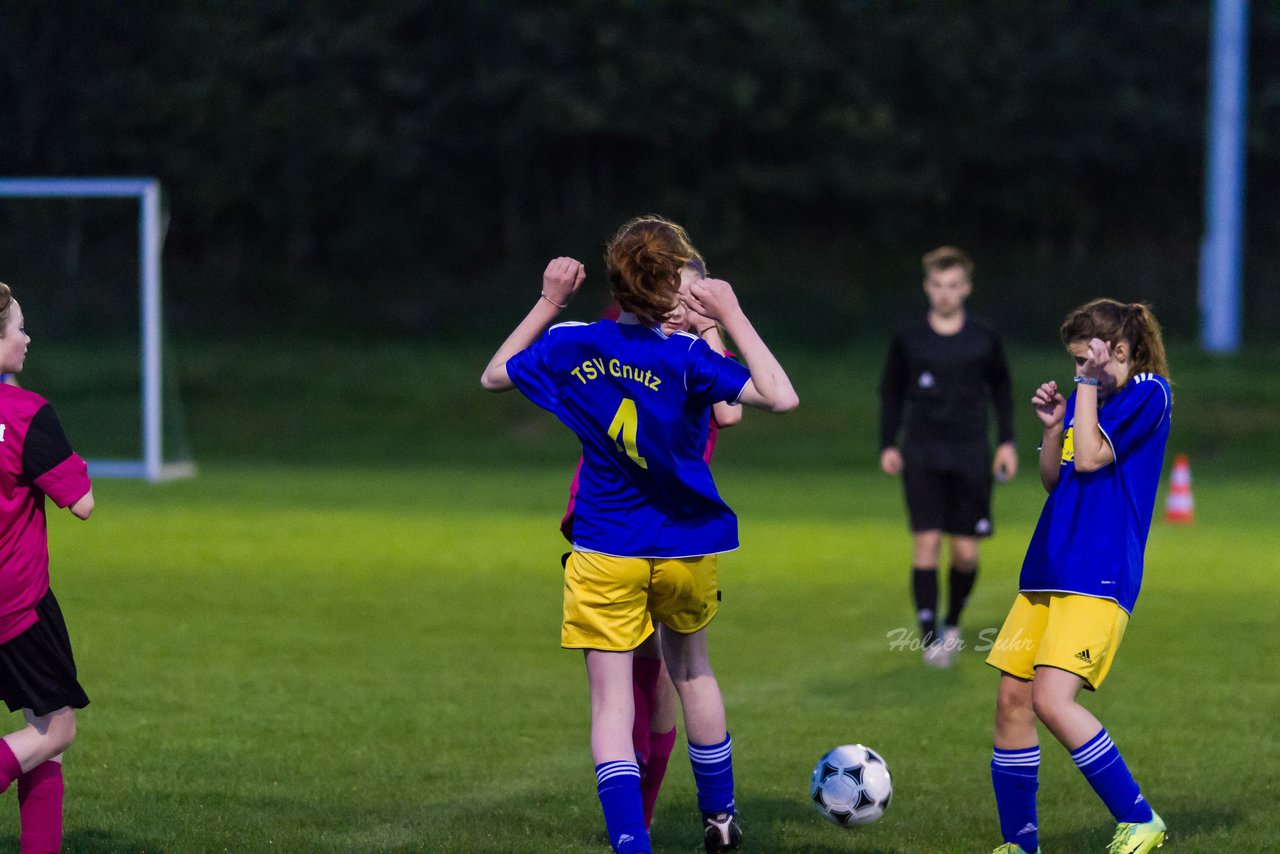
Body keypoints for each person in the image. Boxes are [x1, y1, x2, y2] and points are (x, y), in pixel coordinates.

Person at [481, 215, 798, 854]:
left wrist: (548, 301)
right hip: (686, 545)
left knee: (612, 704)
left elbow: (496, 373)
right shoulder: (688, 358)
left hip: (604, 546)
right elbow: (778, 397)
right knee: (694, 676)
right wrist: (729, 316)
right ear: (673, 289)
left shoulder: (577, 341)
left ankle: (631, 841)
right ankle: (721, 821)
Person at [558, 254, 743, 832]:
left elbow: (729, 413)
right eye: (673, 292)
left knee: (659, 675)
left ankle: (639, 815)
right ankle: (661, 815)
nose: (680, 303)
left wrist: (713, 325)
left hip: (667, 533)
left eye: (692, 295)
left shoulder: (699, 358)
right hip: (609, 525)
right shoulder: (626, 339)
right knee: (641, 670)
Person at [985, 299, 1171, 854]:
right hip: (1047, 568)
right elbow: (1057, 476)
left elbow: (1090, 458)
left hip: (1099, 574)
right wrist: (1050, 427)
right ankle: (1020, 845)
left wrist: (1083, 390)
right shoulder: (1095, 398)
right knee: (1012, 701)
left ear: (1118, 350)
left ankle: (1140, 818)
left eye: (1084, 357)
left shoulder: (1147, 392)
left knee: (1051, 700)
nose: (1077, 369)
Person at [878, 246, 1017, 667]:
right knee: (925, 542)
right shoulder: (909, 339)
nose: (944, 293)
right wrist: (888, 443)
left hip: (971, 453)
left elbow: (1003, 391)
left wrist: (1007, 442)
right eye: (937, 285)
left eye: (953, 285)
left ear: (966, 288)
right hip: (922, 452)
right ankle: (929, 638)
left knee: (966, 553)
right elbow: (891, 392)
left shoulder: (983, 337)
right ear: (927, 287)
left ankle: (953, 620)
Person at [0, 281, 96, 853]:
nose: (27, 338)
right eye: (17, 329)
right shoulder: (26, 413)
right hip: (17, 606)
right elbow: (82, 503)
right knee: (56, 729)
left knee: (42, 735)